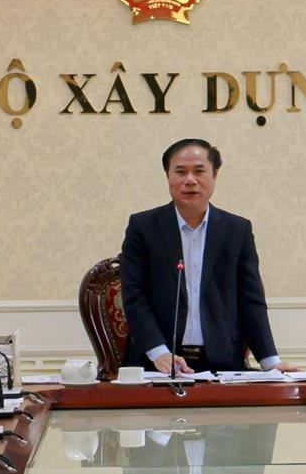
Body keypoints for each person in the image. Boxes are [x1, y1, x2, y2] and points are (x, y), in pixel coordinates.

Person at [120, 139, 292, 374]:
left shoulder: (236, 230)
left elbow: (251, 299)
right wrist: (159, 353)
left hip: (222, 364)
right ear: (168, 176)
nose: (190, 180)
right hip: (155, 364)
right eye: (180, 171)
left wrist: (271, 362)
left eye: (199, 171)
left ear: (215, 175)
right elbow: (134, 296)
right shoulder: (143, 227)